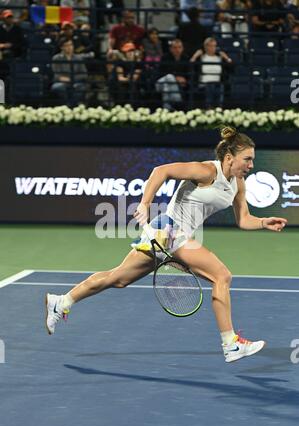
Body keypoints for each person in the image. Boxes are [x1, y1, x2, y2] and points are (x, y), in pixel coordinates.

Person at [45, 127, 288, 363]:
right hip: (170, 230)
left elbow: (243, 220)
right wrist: (144, 204)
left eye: (252, 160)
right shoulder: (205, 171)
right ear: (229, 157)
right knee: (221, 276)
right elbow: (161, 171)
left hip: (173, 236)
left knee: (118, 278)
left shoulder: (238, 183)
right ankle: (230, 344)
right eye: (247, 159)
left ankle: (62, 301)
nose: (251, 165)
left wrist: (264, 221)